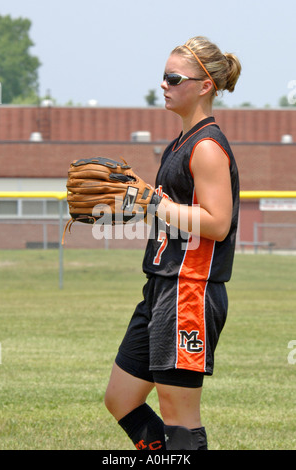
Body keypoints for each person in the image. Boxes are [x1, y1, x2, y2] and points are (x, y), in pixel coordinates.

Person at [104, 36, 241, 451]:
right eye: (163, 76)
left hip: (190, 290)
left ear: (204, 86)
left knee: (179, 422)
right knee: (121, 398)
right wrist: (140, 203)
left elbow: (217, 223)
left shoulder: (206, 146)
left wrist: (154, 202)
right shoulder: (178, 143)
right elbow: (172, 212)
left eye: (174, 77)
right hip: (162, 287)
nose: (164, 84)